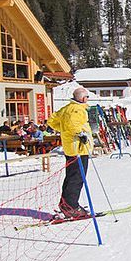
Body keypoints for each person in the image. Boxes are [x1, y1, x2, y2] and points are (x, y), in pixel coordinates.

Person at [47, 87, 94, 218]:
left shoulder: (67, 108)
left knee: (72, 176)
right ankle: (71, 206)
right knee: (77, 178)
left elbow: (52, 121)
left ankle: (66, 204)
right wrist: (80, 134)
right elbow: (73, 125)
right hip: (79, 148)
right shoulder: (77, 109)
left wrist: (63, 130)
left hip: (70, 148)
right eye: (87, 97)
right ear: (83, 98)